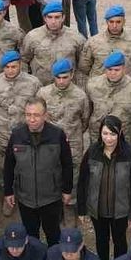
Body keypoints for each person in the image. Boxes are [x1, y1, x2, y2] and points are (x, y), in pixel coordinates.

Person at [4, 98, 73, 245]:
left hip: (51, 197)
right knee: (31, 237)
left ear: (45, 115)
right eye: (28, 115)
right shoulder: (17, 135)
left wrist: (67, 189)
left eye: (36, 115)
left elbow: (67, 164)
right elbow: (9, 164)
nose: (32, 119)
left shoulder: (57, 135)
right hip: (25, 197)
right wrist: (8, 191)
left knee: (53, 235)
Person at [76, 115, 131, 260]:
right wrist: (81, 209)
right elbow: (82, 182)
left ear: (119, 134)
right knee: (101, 240)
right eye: (105, 133)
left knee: (120, 241)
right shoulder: (92, 152)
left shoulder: (130, 154)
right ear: (100, 133)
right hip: (98, 209)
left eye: (113, 134)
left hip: (120, 210)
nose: (109, 138)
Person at [37, 58, 92, 190]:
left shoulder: (81, 96)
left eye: (65, 77)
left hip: (72, 142)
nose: (61, 81)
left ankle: (71, 200)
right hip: (48, 142)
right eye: (58, 77)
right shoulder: (43, 94)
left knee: (73, 173)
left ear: (72, 75)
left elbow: (85, 120)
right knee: (47, 170)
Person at [0, 50, 43, 172]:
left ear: (20, 65)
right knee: (2, 171)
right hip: (1, 135)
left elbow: (39, 107)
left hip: (25, 134)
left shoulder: (33, 83)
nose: (10, 70)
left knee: (26, 170)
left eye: (14, 67)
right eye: (7, 67)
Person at [86, 51, 131, 139]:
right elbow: (87, 112)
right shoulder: (93, 85)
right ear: (105, 69)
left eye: (117, 70)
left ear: (124, 69)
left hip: (125, 137)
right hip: (98, 136)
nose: (113, 73)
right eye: (110, 69)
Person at [21, 0, 86, 86]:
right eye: (50, 17)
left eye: (57, 17)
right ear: (44, 18)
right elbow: (23, 60)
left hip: (67, 89)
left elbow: (83, 65)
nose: (53, 21)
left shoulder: (76, 38)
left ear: (63, 18)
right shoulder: (32, 37)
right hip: (41, 88)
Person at [78, 6, 131, 82]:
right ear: (107, 22)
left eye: (118, 22)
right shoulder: (93, 42)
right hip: (99, 89)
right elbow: (84, 67)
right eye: (111, 22)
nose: (114, 26)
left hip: (125, 88)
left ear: (124, 22)